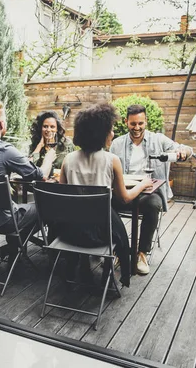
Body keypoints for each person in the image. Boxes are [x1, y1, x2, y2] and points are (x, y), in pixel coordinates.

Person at [58, 103, 153, 287]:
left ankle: (78, 266)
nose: (113, 134)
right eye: (110, 130)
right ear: (100, 133)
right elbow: (125, 198)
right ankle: (114, 276)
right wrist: (142, 184)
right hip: (101, 234)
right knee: (119, 232)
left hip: (71, 232)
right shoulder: (111, 160)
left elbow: (63, 198)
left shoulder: (68, 160)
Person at [109, 104, 193, 275]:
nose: (137, 128)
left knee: (153, 203)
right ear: (126, 122)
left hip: (147, 194)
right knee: (104, 203)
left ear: (146, 121)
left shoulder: (158, 140)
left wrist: (185, 150)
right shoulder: (116, 144)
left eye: (140, 123)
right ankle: (119, 250)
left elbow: (185, 150)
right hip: (123, 191)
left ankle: (142, 253)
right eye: (133, 124)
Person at [0, 101, 56, 266]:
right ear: (2, 124)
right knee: (47, 206)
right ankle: (50, 253)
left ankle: (12, 249)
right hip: (4, 220)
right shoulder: (5, 150)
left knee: (23, 208)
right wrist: (48, 159)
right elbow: (40, 176)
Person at [28, 111, 75, 178]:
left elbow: (72, 167)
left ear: (57, 129)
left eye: (52, 127)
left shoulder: (67, 144)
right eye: (45, 126)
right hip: (40, 185)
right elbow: (28, 168)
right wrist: (39, 146)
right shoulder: (35, 145)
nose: (48, 129)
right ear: (40, 128)